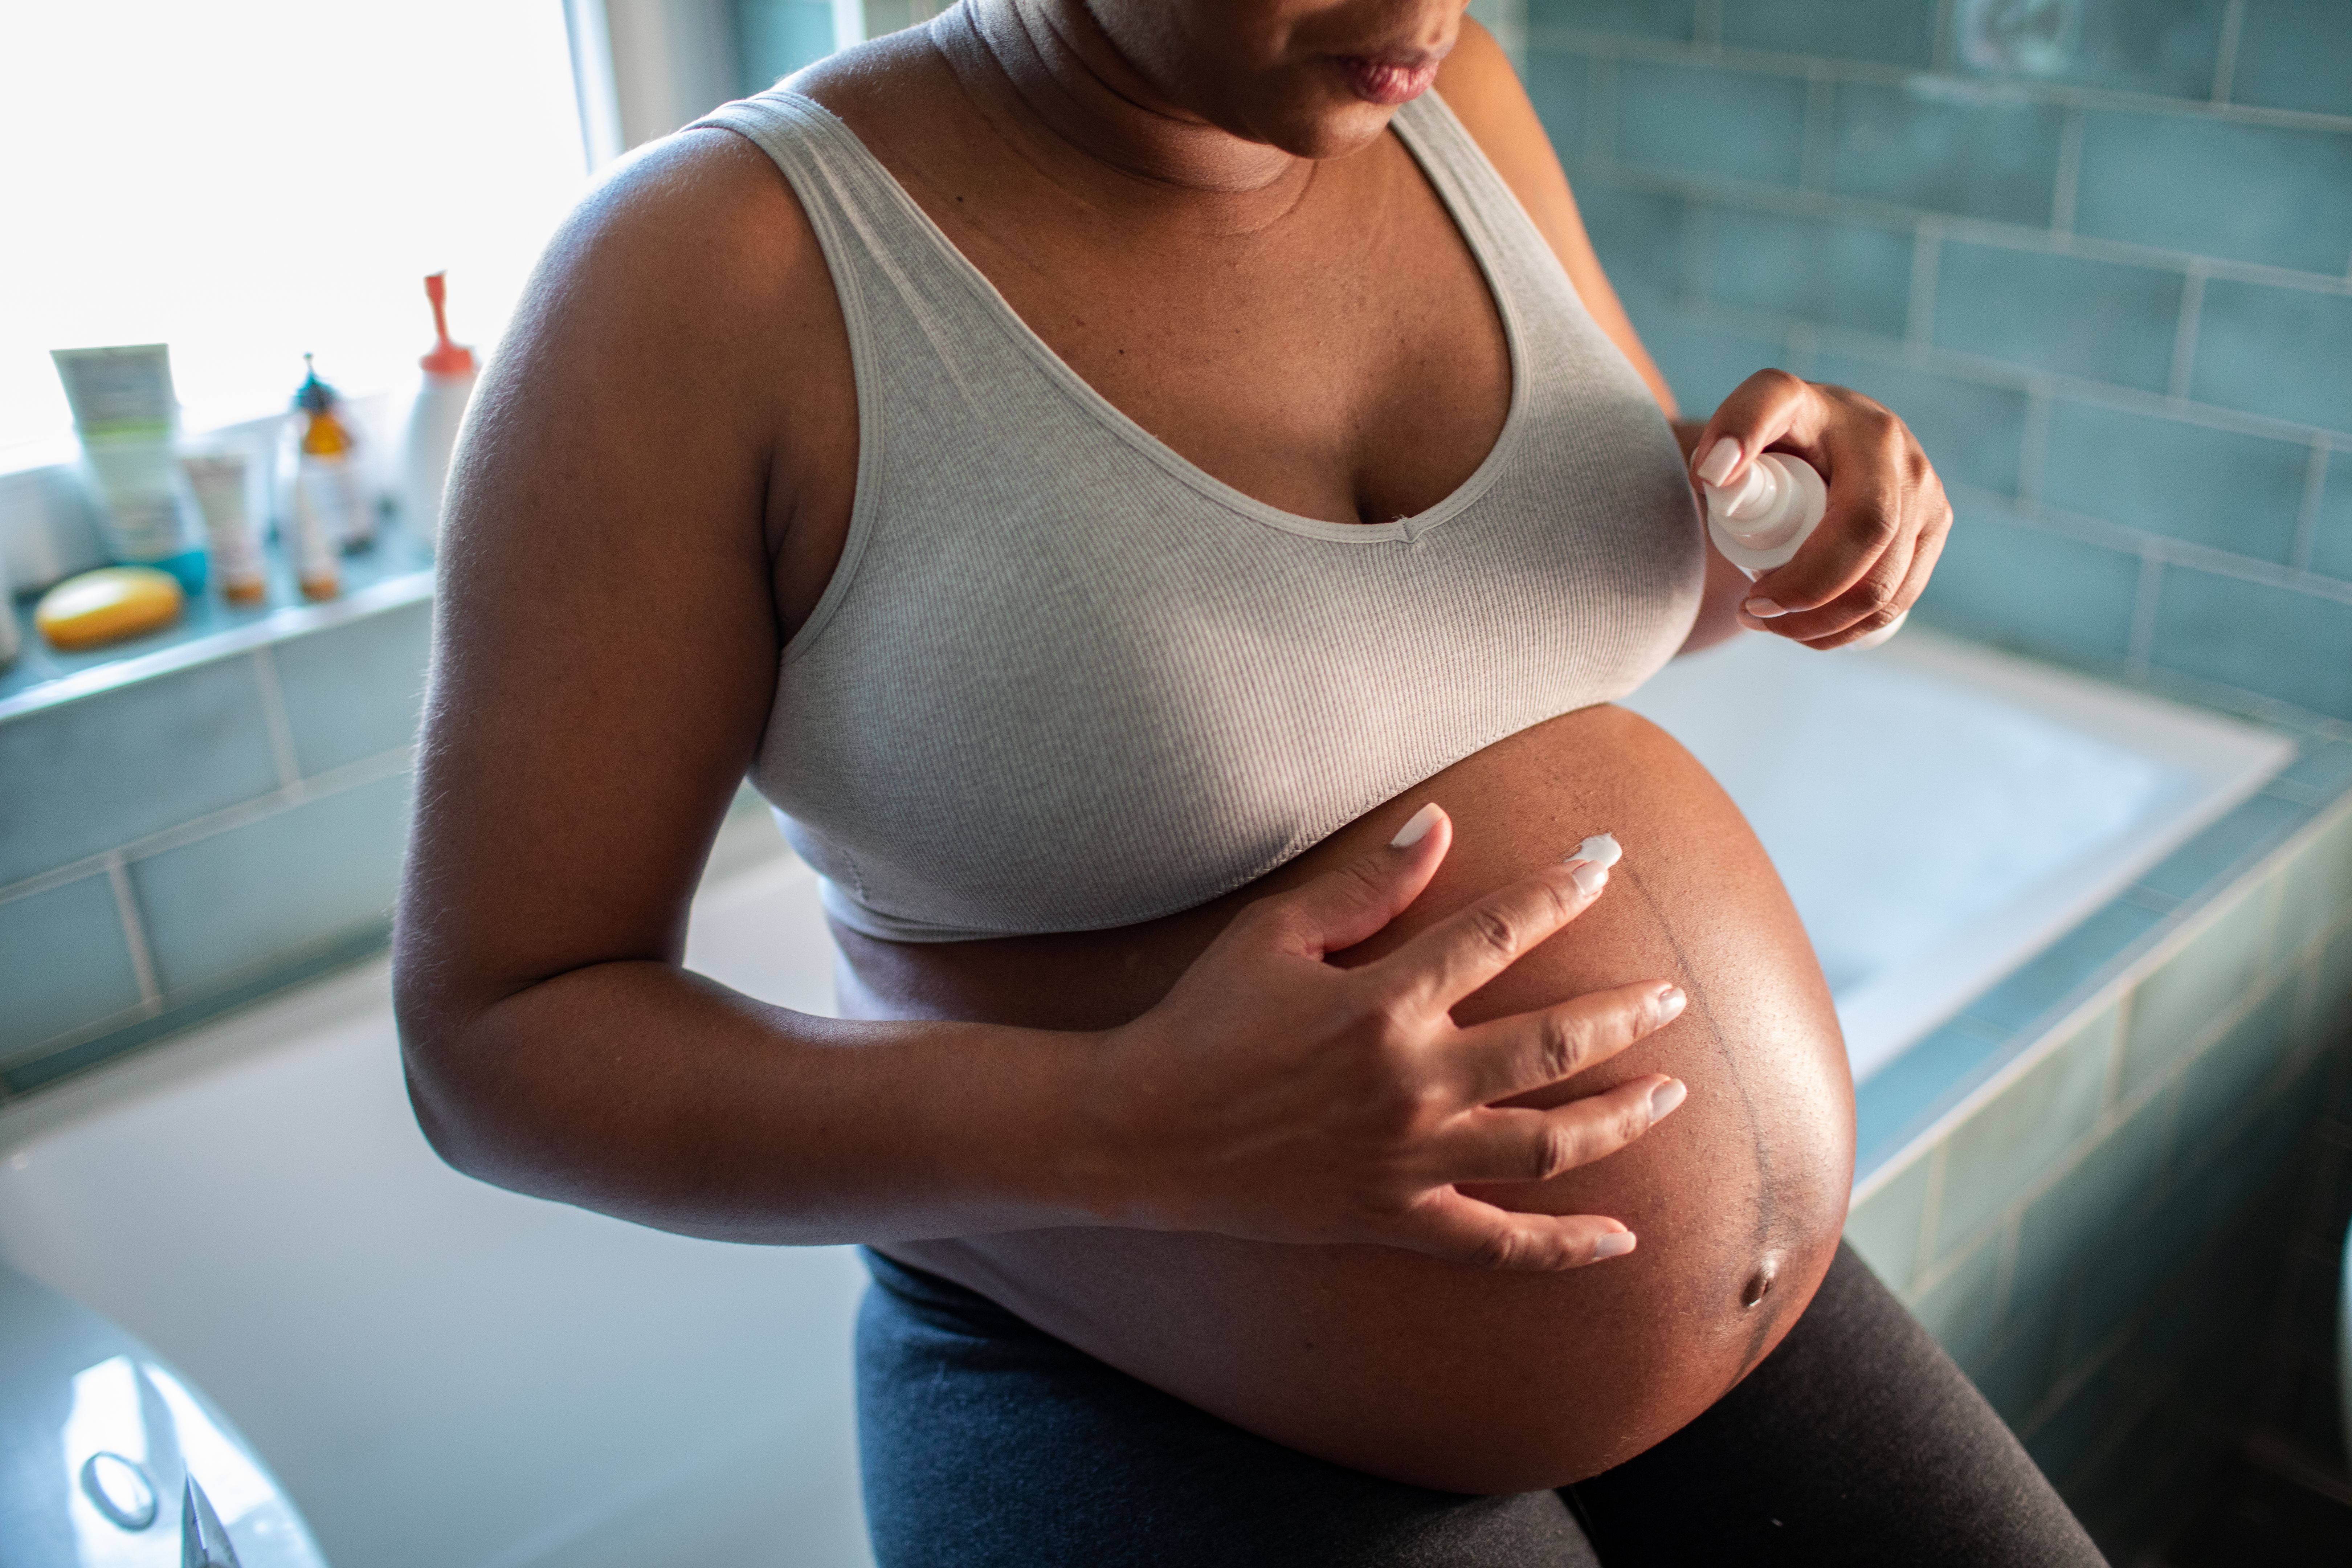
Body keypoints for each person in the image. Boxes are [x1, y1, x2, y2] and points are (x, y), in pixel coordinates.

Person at [392, 2, 2106, 1562]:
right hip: (1145, 1388)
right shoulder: (712, 274)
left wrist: (1796, 535)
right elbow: (496, 1042)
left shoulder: (1440, 98)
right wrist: (1134, 1125)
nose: (1429, 9)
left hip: (1742, 1353)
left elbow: (1484, 612)